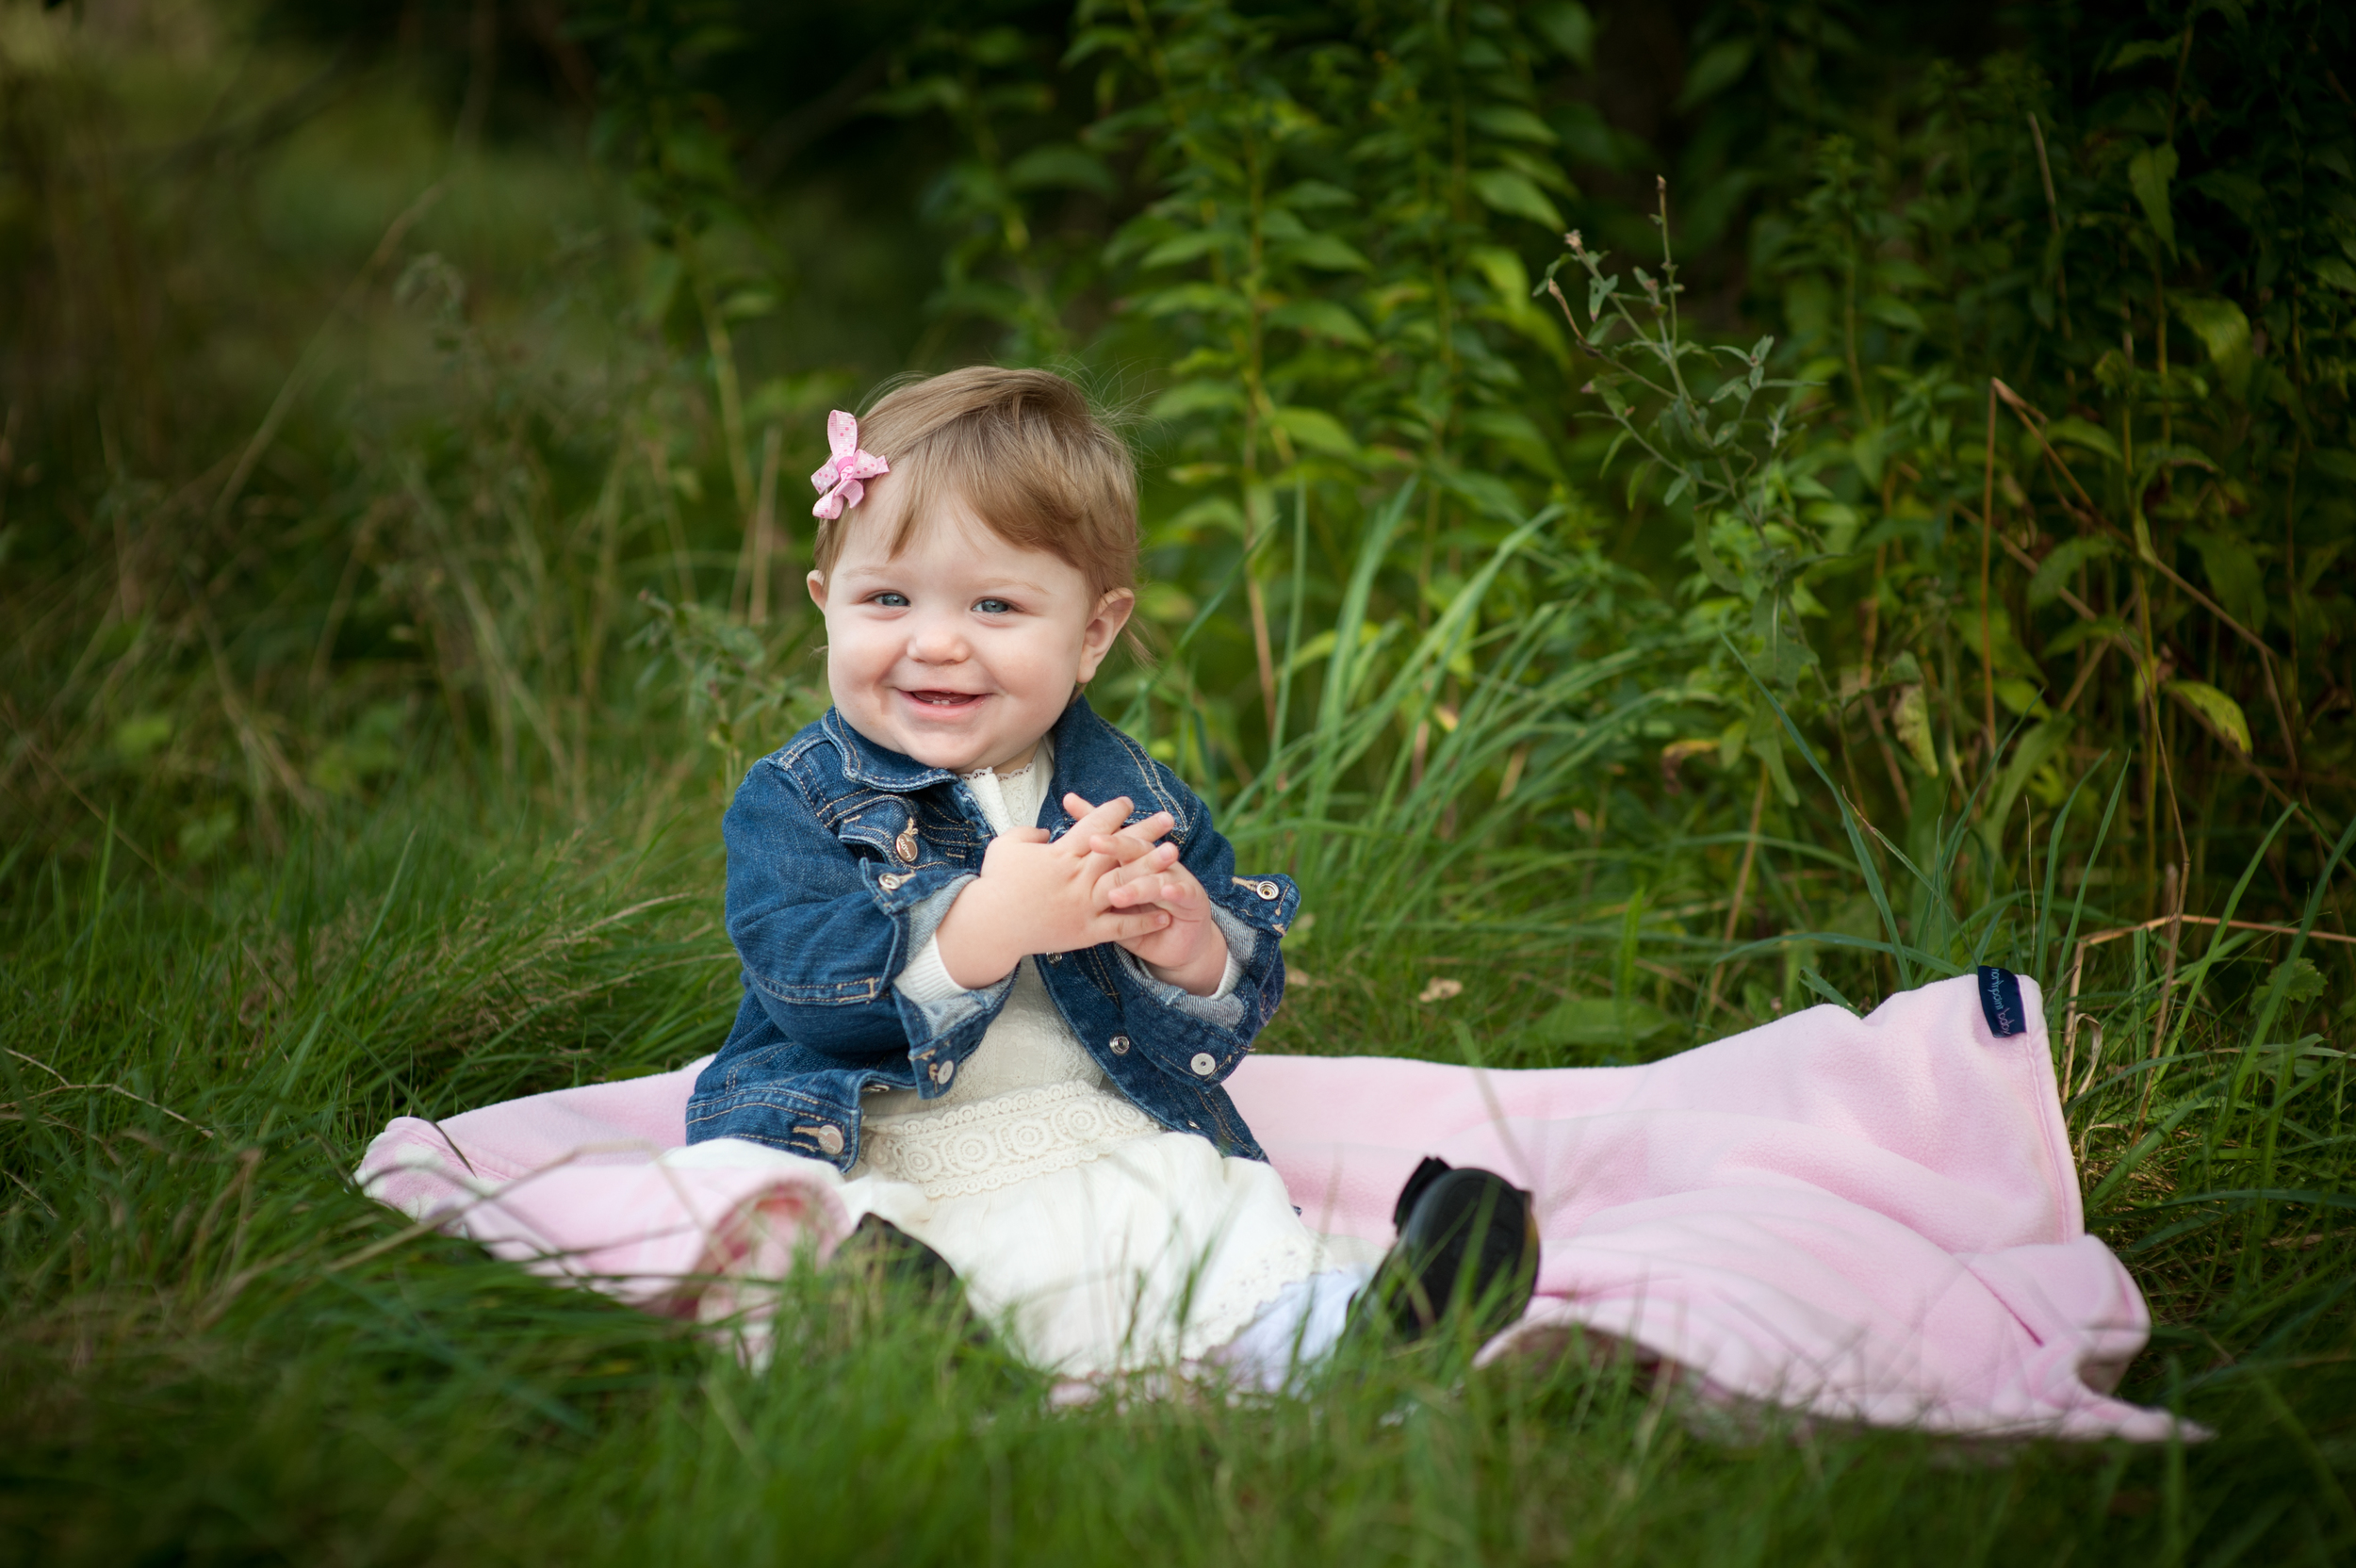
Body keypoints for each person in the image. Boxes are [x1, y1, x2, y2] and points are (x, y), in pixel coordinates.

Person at [679, 367, 1533, 1385]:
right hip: (877, 1141)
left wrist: (1190, 948)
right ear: (827, 605)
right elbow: (805, 989)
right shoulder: (798, 798)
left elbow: (1224, 1015)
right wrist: (979, 928)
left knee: (1197, 1221)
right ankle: (932, 1354)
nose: (935, 639)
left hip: (1089, 1131)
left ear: (1091, 633)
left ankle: (1358, 1333)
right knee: (819, 1240)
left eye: (995, 603)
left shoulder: (1127, 792)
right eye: (888, 597)